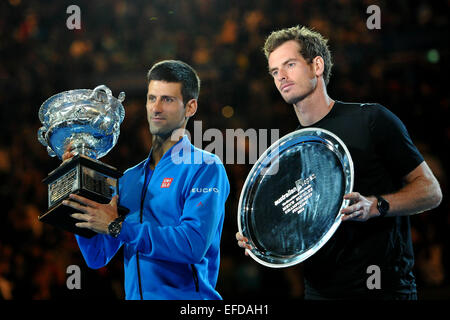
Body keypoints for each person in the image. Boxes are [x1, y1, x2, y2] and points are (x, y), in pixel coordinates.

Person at [236, 26, 442, 299]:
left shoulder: (371, 119)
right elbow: (296, 220)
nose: (281, 76)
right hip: (320, 293)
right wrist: (261, 235)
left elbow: (431, 191)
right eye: (274, 71)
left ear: (317, 65)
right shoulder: (289, 150)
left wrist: (376, 205)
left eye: (290, 64)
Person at [63, 60, 230, 300]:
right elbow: (98, 256)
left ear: (190, 107)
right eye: (152, 98)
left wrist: (119, 227)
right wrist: (80, 188)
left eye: (168, 99)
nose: (156, 108)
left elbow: (193, 245)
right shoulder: (129, 178)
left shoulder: (205, 166)